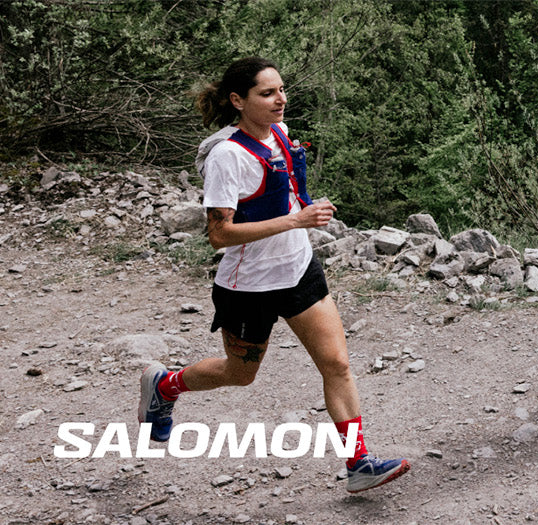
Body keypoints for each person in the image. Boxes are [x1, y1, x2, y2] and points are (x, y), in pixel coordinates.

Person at [137, 57, 409, 493]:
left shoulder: (279, 134)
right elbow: (219, 234)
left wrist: (297, 219)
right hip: (249, 287)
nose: (280, 99)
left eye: (281, 90)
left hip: (299, 271)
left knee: (337, 364)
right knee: (240, 373)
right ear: (237, 101)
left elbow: (283, 200)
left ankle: (358, 462)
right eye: (267, 93)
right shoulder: (228, 156)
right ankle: (165, 385)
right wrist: (296, 221)